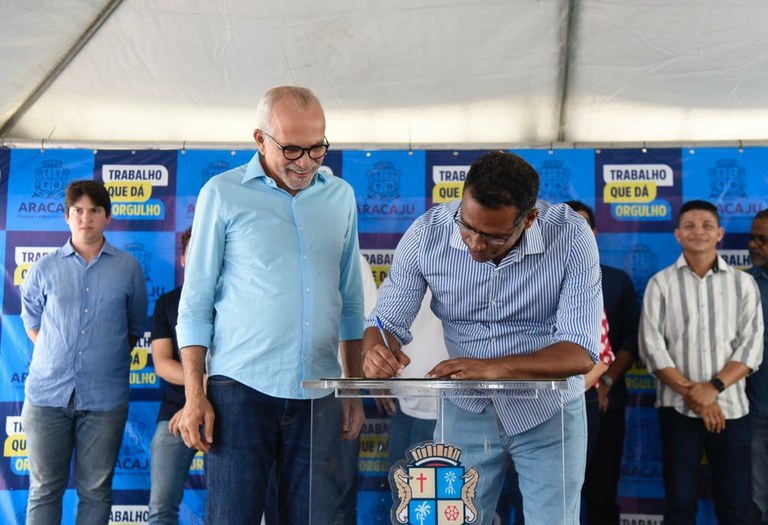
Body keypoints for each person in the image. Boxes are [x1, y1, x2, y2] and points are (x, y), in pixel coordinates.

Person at [363, 151, 602, 525]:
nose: (474, 244)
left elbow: (580, 351)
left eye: (493, 237)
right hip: (464, 411)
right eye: (467, 227)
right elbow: (385, 321)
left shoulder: (571, 235)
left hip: (550, 413)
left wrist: (494, 368)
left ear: (530, 218)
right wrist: (378, 347)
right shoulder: (427, 233)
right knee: (445, 521)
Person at [175, 86, 365, 525]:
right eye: (292, 149)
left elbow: (351, 300)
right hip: (240, 392)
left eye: (317, 148)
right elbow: (196, 302)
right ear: (260, 139)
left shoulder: (340, 197)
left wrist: (352, 389)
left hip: (319, 393)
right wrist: (194, 393)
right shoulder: (221, 194)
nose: (306, 162)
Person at [19, 180, 148, 524]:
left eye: (94, 211)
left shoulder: (129, 269)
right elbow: (31, 321)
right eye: (78, 210)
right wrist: (57, 351)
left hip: (105, 400)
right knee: (45, 489)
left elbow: (133, 329)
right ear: (66, 216)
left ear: (108, 217)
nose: (85, 218)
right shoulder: (44, 268)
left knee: (95, 491)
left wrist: (98, 356)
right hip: (47, 397)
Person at [639, 199, 763, 525]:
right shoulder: (659, 284)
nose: (699, 232)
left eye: (707, 225)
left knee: (736, 506)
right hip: (678, 410)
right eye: (690, 225)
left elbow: (752, 347)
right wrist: (695, 394)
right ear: (677, 234)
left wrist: (714, 388)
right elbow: (651, 349)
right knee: (680, 507)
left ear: (720, 233)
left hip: (732, 410)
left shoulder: (743, 284)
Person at [566, 201, 640, 525]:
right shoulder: (534, 283)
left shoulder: (615, 280)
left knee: (601, 490)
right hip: (549, 408)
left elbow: (627, 341)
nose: (574, 236)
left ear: (594, 233)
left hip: (603, 403)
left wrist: (603, 383)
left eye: (582, 228)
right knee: (553, 492)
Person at [148, 227, 197, 525]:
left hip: (231, 411)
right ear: (182, 259)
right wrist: (200, 386)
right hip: (175, 414)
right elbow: (163, 364)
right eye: (193, 252)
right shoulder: (167, 303)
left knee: (235, 507)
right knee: (161, 509)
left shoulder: (234, 303)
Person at [747, 209, 768, 525]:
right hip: (753, 412)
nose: (753, 245)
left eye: (762, 239)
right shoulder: (744, 284)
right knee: (755, 504)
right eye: (752, 238)